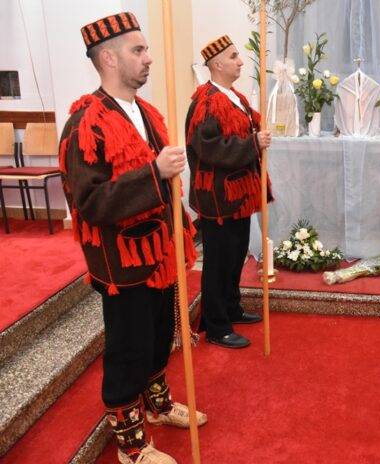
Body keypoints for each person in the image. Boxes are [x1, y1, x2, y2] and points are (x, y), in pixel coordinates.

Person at [60, 12, 206, 464]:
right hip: (121, 264)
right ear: (108, 57)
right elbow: (90, 202)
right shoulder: (85, 122)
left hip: (159, 253)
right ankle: (130, 443)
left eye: (146, 49)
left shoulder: (146, 112)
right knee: (129, 348)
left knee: (159, 335)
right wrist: (153, 173)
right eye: (137, 50)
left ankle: (157, 404)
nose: (148, 58)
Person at [185, 35, 272, 349]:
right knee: (219, 261)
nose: (240, 61)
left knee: (236, 255)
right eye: (234, 56)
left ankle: (231, 307)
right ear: (217, 64)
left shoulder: (234, 96)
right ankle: (216, 325)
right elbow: (209, 149)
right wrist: (252, 143)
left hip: (238, 195)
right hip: (218, 197)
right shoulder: (206, 102)